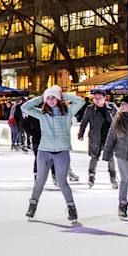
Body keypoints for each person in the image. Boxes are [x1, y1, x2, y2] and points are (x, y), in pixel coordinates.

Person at [22, 85, 86, 221]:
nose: (51, 100)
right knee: (40, 180)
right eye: (48, 98)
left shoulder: (68, 112)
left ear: (58, 99)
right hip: (44, 150)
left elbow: (81, 101)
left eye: (53, 97)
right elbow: (25, 107)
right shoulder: (42, 113)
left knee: (62, 182)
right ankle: (32, 205)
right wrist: (42, 97)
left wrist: (63, 95)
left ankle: (71, 208)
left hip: (62, 151)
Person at [78, 90, 117, 189]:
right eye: (95, 98)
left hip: (109, 137)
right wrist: (81, 133)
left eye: (99, 98)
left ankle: (113, 177)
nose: (97, 100)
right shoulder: (90, 109)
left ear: (105, 98)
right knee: (94, 157)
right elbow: (84, 121)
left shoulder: (111, 107)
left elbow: (119, 120)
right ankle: (91, 176)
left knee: (110, 157)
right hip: (95, 136)